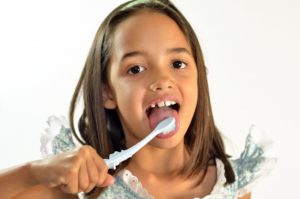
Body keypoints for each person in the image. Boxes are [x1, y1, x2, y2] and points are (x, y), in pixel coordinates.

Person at [0, 0, 275, 198]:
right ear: (108, 93)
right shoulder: (83, 187)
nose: (162, 80)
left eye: (177, 64)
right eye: (136, 69)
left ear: (199, 79)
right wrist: (33, 173)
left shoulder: (231, 185)